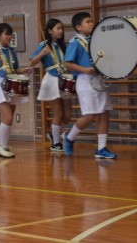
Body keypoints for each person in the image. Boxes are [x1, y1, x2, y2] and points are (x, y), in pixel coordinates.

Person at [62, 12, 117, 160]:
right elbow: (67, 64)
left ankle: (101, 148)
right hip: (85, 80)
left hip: (98, 79)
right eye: (87, 21)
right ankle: (69, 137)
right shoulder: (75, 42)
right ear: (78, 27)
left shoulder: (94, 41)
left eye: (92, 21)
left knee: (104, 113)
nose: (91, 23)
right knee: (88, 116)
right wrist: (84, 70)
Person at [0, 23, 32, 158]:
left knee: (8, 118)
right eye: (6, 34)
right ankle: (1, 145)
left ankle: (4, 144)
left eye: (10, 34)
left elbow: (15, 69)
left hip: (10, 84)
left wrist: (24, 70)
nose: (9, 37)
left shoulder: (11, 51)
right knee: (7, 116)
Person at [30, 18, 72, 152]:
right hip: (52, 80)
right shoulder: (43, 45)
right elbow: (32, 62)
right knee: (58, 113)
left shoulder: (62, 46)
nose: (61, 31)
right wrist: (42, 53)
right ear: (49, 31)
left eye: (62, 28)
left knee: (67, 116)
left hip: (64, 80)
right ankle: (56, 143)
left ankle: (54, 134)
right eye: (58, 28)